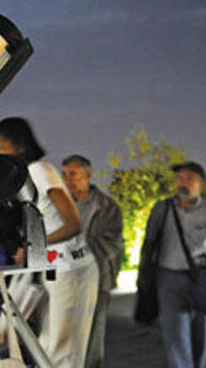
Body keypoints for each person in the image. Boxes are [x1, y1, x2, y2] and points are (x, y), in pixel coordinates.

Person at [0, 117, 98, 367]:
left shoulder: (41, 171)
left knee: (63, 350)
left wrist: (33, 244)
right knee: (49, 344)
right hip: (55, 267)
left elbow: (72, 224)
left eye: (1, 148)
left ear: (20, 147)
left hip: (71, 269)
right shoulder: (29, 174)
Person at [137, 162, 206, 368]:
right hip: (169, 279)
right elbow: (149, 245)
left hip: (204, 280)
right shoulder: (162, 209)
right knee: (175, 338)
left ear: (201, 185)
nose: (183, 183)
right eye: (180, 178)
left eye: (190, 178)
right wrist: (144, 278)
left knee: (201, 336)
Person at [61, 154, 124, 368]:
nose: (68, 180)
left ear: (88, 175)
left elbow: (111, 243)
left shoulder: (106, 206)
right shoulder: (58, 204)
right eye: (65, 175)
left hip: (95, 279)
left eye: (73, 175)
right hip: (63, 280)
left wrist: (74, 249)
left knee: (92, 336)